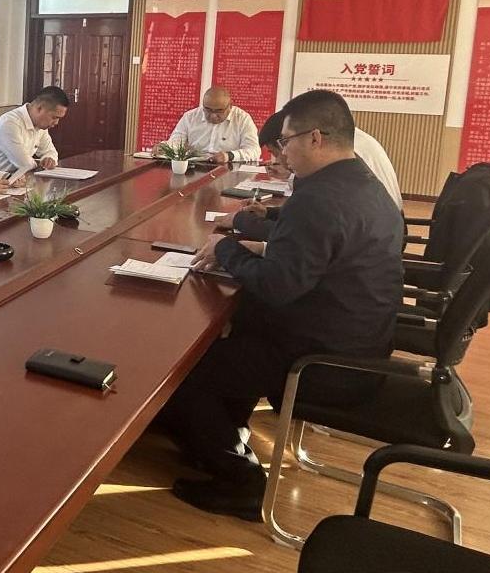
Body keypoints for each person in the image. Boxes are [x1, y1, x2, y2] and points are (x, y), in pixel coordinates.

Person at [157, 89, 403, 520]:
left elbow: (277, 287)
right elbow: (310, 257)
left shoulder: (320, 197)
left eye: (286, 142)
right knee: (229, 340)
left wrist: (227, 250)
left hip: (322, 361)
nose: (282, 153)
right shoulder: (359, 183)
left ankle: (241, 482)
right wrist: (258, 248)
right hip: (359, 342)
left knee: (185, 368)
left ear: (315, 138)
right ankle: (220, 439)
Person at [218, 108, 404, 237]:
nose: (281, 156)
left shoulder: (344, 156)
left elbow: (301, 233)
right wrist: (268, 212)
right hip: (382, 230)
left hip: (374, 238)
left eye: (281, 147)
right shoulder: (342, 142)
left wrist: (241, 222)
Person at [0, 85, 69, 174]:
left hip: (13, 177)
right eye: (54, 117)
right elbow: (25, 164)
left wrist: (49, 159)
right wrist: (40, 163)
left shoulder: (40, 126)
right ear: (39, 108)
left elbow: (50, 151)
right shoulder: (10, 122)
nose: (56, 123)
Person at [158, 86, 260, 164]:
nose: (213, 116)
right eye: (208, 110)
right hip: (195, 167)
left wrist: (229, 156)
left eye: (219, 111)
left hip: (228, 168)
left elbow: (254, 151)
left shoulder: (242, 119)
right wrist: (165, 147)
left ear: (230, 106)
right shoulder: (190, 117)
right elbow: (176, 142)